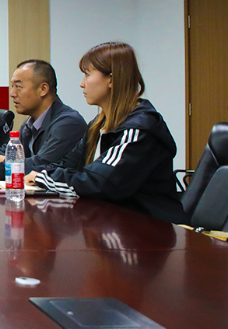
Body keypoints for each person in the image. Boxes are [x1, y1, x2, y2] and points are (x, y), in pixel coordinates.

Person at [28, 42, 188, 224]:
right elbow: (68, 165)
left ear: (111, 80)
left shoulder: (139, 128)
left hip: (151, 228)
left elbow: (100, 183)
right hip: (115, 223)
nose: (81, 84)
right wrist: (34, 174)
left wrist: (43, 177)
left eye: (87, 74)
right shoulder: (98, 125)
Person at [0, 60, 87, 181]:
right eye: (12, 87)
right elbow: (12, 152)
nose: (12, 93)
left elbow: (41, 164)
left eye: (18, 87)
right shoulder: (30, 122)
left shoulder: (68, 123)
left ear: (43, 89)